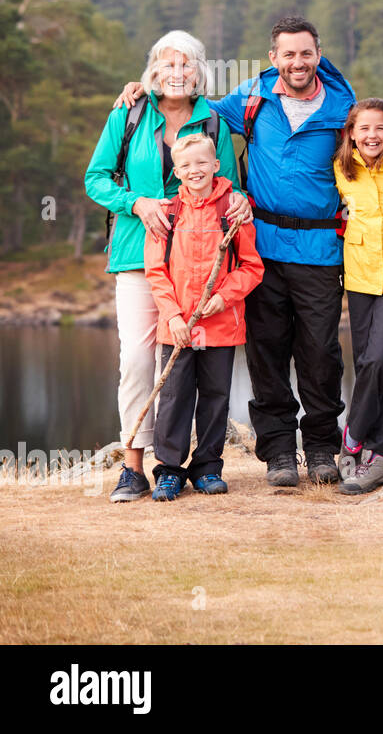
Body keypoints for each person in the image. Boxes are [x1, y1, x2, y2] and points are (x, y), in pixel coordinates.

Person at [114, 16, 356, 487]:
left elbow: (373, 135)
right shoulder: (249, 99)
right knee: (266, 355)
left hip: (320, 247)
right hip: (262, 242)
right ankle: (280, 453)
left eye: (306, 53)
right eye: (288, 54)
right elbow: (190, 104)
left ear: (319, 55)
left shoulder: (342, 103)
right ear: (274, 59)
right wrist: (143, 88)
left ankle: (323, 447)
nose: (298, 62)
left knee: (321, 354)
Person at [86, 30, 248, 503]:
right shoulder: (129, 112)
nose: (177, 73)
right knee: (138, 361)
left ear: (200, 73)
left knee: (200, 367)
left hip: (200, 265)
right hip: (140, 255)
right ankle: (134, 467)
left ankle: (190, 464)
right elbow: (96, 178)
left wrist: (239, 204)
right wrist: (136, 203)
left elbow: (229, 186)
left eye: (187, 65)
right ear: (152, 73)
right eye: (167, 65)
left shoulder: (213, 119)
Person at [143, 134, 264, 499]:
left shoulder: (233, 211)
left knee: (215, 397)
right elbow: (156, 272)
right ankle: (169, 470)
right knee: (175, 396)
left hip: (221, 326)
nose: (194, 170)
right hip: (176, 327)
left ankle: (208, 467)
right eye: (186, 165)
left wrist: (225, 298)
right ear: (176, 171)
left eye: (201, 163)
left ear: (215, 165)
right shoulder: (167, 214)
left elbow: (252, 267)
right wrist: (174, 317)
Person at [332, 99, 383, 495]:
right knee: (368, 364)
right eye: (363, 129)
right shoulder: (341, 169)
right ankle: (381, 453)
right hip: (360, 277)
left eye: (380, 128)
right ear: (351, 132)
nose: (371, 136)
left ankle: (352, 435)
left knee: (380, 360)